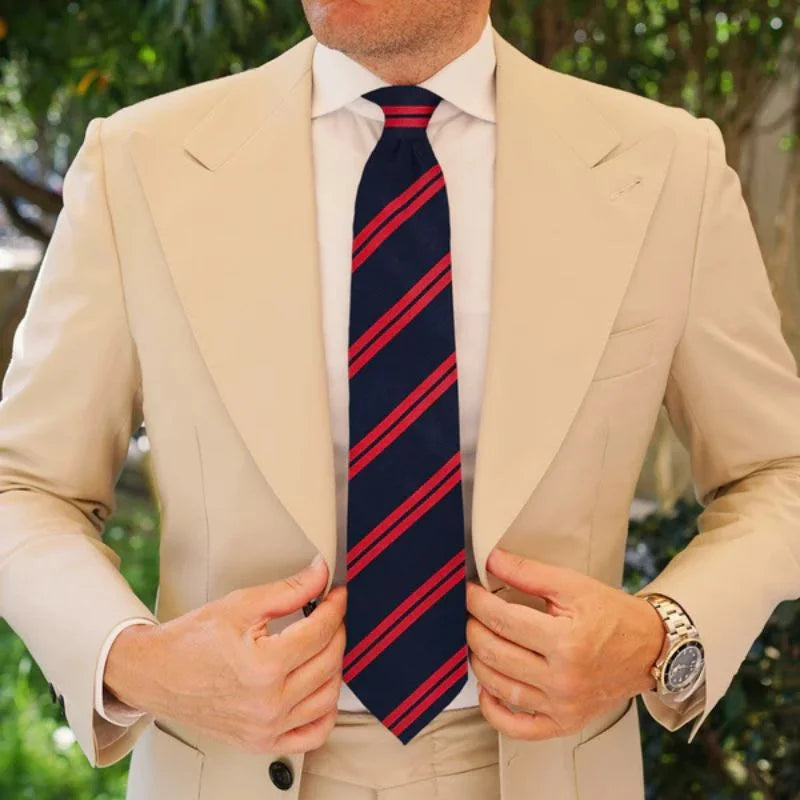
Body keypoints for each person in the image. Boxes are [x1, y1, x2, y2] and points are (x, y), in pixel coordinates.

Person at [1, 0, 799, 798]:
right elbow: (23, 486)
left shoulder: (667, 166)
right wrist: (139, 663)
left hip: (549, 769)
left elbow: (779, 471)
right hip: (223, 766)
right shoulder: (140, 161)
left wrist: (661, 637)